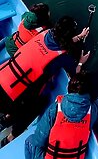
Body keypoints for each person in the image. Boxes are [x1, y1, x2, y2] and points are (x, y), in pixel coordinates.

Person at [0, 16, 90, 146]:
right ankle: (10, 137)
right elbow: (75, 71)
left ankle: (6, 119)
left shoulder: (44, 33)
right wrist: (81, 62)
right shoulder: (62, 58)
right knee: (36, 106)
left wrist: (79, 37)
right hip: (11, 95)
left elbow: (57, 42)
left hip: (2, 77)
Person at [24, 71, 98, 159]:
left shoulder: (55, 109)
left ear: (69, 89)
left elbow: (39, 139)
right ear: (88, 93)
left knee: (30, 141)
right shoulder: (91, 112)